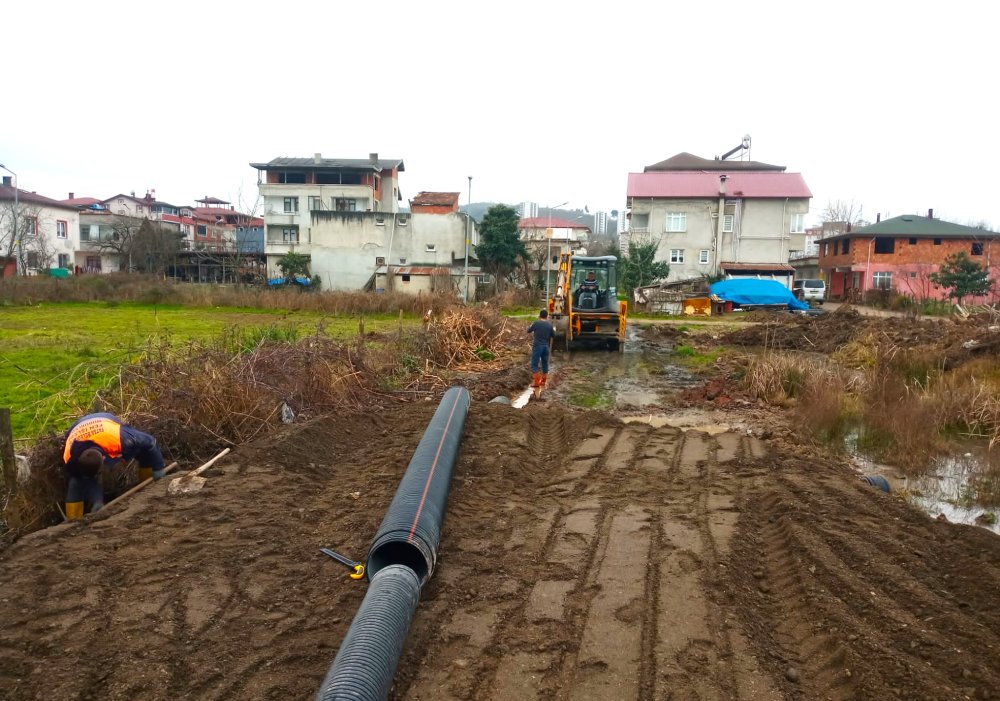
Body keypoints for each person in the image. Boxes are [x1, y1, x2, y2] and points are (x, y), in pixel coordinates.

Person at [62, 412, 166, 519]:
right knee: (76, 483)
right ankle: (73, 521)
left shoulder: (122, 439)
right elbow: (89, 477)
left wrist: (158, 469)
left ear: (104, 459)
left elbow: (151, 442)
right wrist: (97, 500)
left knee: (142, 451)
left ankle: (149, 486)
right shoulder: (70, 458)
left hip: (105, 422)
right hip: (76, 428)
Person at [527, 309, 556, 389]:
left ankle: (536, 382)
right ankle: (543, 382)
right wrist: (553, 330)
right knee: (545, 363)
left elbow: (528, 330)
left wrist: (531, 326)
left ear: (540, 316)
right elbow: (554, 336)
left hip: (537, 347)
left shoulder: (536, 323)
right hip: (546, 347)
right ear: (547, 316)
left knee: (534, 364)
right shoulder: (550, 325)